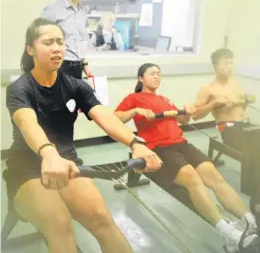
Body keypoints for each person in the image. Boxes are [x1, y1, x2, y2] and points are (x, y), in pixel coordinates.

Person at [3, 18, 162, 253]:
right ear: (30, 49)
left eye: (60, 41)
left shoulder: (76, 86)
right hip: (27, 171)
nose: (57, 47)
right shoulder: (20, 88)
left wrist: (136, 142)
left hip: (68, 164)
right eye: (48, 42)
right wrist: (49, 154)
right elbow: (28, 123)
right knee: (60, 224)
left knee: (102, 219)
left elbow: (104, 116)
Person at [114, 63, 259, 253]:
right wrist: (134, 111)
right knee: (192, 179)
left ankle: (251, 222)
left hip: (182, 144)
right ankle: (229, 234)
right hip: (158, 148)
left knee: (216, 178)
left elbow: (181, 120)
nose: (157, 76)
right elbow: (114, 118)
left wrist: (187, 112)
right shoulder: (134, 98)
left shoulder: (164, 99)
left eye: (159, 73)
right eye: (152, 74)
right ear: (141, 78)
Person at [192, 48, 258, 192]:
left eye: (232, 63)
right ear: (216, 65)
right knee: (253, 144)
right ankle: (250, 189)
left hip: (244, 124)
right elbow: (195, 115)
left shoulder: (236, 85)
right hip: (226, 127)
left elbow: (240, 111)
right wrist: (213, 104)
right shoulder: (208, 89)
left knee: (255, 139)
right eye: (226, 63)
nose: (230, 67)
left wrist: (245, 101)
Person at [41, 0, 93, 79]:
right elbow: (41, 40)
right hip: (59, 65)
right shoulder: (52, 10)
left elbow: (80, 41)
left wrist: (84, 65)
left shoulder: (82, 13)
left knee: (75, 96)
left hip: (77, 66)